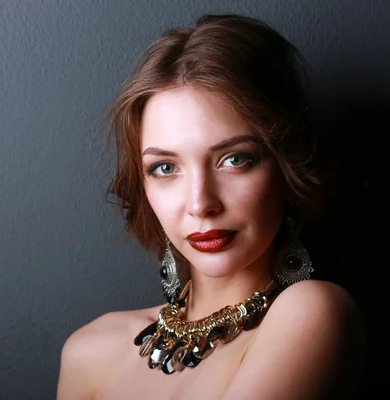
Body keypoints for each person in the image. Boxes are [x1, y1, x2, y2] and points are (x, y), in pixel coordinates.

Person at [56, 13, 367, 399]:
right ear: (144, 186)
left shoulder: (313, 313)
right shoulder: (89, 351)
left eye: (235, 159)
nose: (201, 203)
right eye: (165, 167)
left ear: (287, 169)